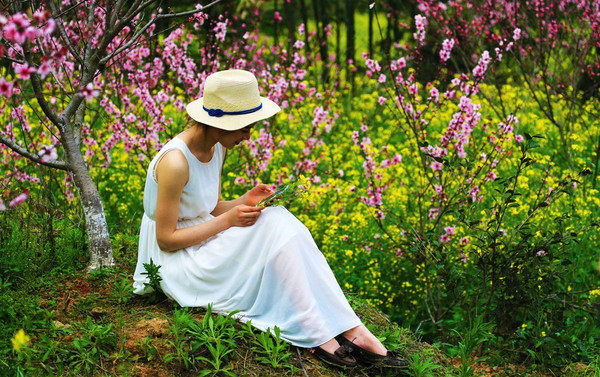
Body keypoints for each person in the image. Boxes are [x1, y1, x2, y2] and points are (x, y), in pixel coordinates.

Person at [132, 69, 407, 368]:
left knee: (278, 219)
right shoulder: (175, 162)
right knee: (274, 226)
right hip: (177, 262)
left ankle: (352, 329)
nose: (249, 135)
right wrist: (229, 220)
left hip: (200, 238)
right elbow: (166, 239)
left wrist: (243, 201)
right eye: (244, 127)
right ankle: (318, 334)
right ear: (217, 122)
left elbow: (204, 208)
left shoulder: (216, 148)